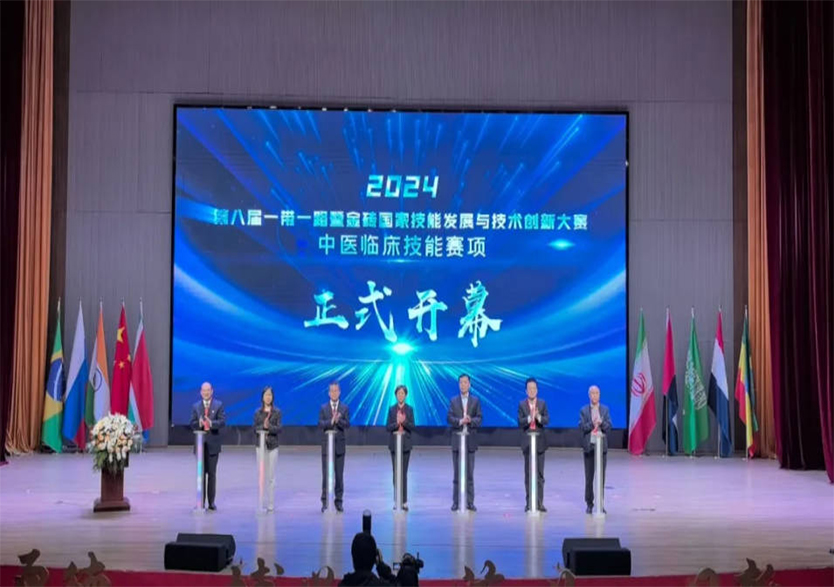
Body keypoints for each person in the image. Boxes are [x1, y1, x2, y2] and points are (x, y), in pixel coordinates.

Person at [447, 373, 482, 512]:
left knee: (469, 474)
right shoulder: (453, 401)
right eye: (461, 382)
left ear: (469, 384)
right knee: (457, 474)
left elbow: (479, 418)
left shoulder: (475, 401)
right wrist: (460, 421)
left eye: (465, 382)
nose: (463, 385)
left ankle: (469, 502)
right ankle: (456, 502)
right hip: (457, 441)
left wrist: (470, 420)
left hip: (470, 441)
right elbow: (449, 418)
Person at [189, 381, 226, 510]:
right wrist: (198, 424)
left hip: (213, 445)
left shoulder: (218, 405)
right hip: (200, 445)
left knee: (211, 474)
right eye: (203, 390)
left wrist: (211, 424)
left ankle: (211, 502)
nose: (206, 392)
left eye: (208, 390)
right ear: (201, 392)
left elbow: (222, 422)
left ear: (212, 391)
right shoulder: (196, 406)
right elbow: (192, 423)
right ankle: (200, 502)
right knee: (201, 474)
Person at [518, 377, 549, 512]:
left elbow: (547, 420)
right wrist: (530, 417)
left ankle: (539, 503)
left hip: (540, 443)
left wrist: (538, 417)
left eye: (534, 388)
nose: (532, 391)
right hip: (528, 443)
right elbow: (520, 422)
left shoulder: (542, 404)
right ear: (526, 391)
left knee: (540, 475)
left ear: (537, 390)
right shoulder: (522, 404)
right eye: (529, 389)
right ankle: (529, 502)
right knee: (529, 474)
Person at [579, 385, 612, 514]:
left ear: (599, 395)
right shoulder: (584, 410)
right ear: (589, 395)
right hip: (589, 447)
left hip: (601, 447)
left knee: (601, 478)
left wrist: (601, 423)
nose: (594, 395)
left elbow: (609, 427)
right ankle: (589, 503)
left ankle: (600, 504)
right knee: (589, 478)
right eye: (592, 393)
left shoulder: (605, 410)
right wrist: (592, 423)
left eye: (597, 393)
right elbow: (582, 427)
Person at [319, 380, 350, 512]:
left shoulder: (344, 408)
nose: (334, 393)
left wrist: (339, 420)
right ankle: (325, 501)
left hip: (339, 447)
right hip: (327, 446)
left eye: (336, 390)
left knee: (339, 476)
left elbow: (347, 424)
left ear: (340, 392)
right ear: (328, 393)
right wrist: (331, 421)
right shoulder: (323, 408)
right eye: (332, 391)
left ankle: (338, 501)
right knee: (326, 475)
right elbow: (321, 424)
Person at [386, 385, 415, 511]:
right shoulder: (392, 409)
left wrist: (404, 422)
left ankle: (404, 501)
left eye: (402, 393)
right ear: (396, 395)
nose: (400, 395)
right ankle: (397, 500)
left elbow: (412, 427)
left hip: (406, 445)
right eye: (398, 393)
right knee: (396, 473)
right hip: (394, 445)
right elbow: (388, 427)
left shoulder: (410, 409)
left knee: (403, 473)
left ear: (406, 395)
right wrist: (397, 423)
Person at [253, 385, 282, 512]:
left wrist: (268, 426)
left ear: (272, 397)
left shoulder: (277, 412)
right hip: (260, 447)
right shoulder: (257, 412)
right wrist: (263, 427)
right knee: (261, 475)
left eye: (270, 395)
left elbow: (279, 429)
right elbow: (255, 428)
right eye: (266, 395)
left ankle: (270, 503)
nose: (268, 397)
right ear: (262, 397)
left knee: (271, 475)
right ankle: (261, 501)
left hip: (272, 446)